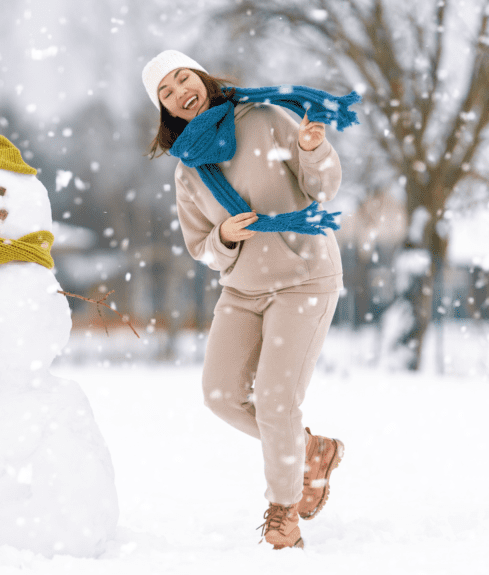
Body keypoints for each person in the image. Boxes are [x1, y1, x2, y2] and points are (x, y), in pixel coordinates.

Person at [142, 50, 356, 549]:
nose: (180, 92)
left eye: (182, 78)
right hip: (242, 288)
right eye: (167, 93)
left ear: (199, 76)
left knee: (278, 401)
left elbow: (321, 187)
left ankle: (283, 516)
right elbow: (202, 247)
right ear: (166, 111)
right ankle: (309, 449)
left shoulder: (261, 118)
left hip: (304, 278)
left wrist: (311, 148)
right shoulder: (188, 168)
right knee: (220, 396)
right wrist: (225, 235)